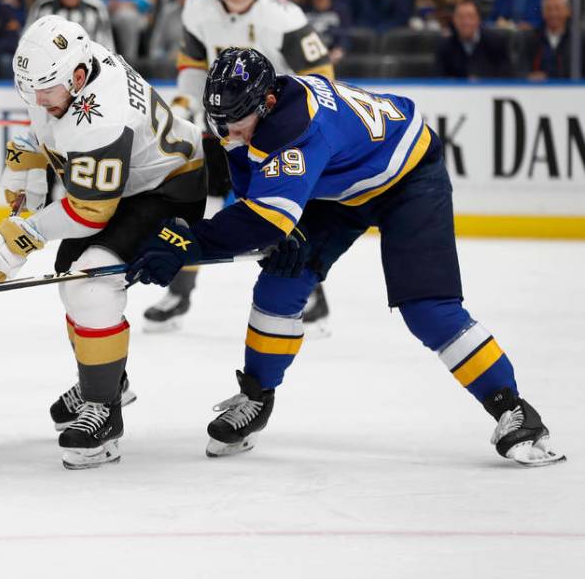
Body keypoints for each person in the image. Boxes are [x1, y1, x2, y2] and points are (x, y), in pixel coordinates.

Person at [127, 47, 566, 468]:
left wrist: (193, 242)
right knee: (280, 284)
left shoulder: (297, 128)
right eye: (219, 118)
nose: (228, 130)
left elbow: (260, 220)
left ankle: (515, 410)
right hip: (339, 182)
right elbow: (253, 185)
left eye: (237, 120)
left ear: (270, 101)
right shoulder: (247, 112)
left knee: (428, 309)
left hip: (408, 177)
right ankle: (257, 396)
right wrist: (279, 219)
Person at [0, 15, 206, 469]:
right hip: (127, 187)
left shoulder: (103, 116)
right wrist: (29, 154)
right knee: (70, 278)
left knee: (90, 283)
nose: (37, 100)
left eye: (45, 91)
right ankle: (106, 379)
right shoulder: (66, 69)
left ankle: (105, 413)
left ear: (78, 78)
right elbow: (50, 121)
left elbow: (91, 210)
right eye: (28, 90)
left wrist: (22, 237)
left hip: (168, 189)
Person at [143, 0, 334, 335]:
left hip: (277, 131)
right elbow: (194, 66)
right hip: (224, 126)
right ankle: (180, 293)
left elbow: (321, 75)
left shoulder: (283, 15)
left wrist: (298, 125)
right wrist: (183, 107)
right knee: (201, 206)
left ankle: (311, 299)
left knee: (281, 212)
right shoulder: (198, 9)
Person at [436, 0, 512, 78]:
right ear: (454, 20)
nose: (466, 22)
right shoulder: (445, 46)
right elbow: (439, 78)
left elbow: (506, 76)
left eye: (470, 17)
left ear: (478, 19)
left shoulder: (496, 42)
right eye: (460, 17)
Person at [526, 0, 584, 80]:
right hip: (538, 90)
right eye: (549, 9)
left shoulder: (580, 39)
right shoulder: (531, 38)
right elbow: (521, 66)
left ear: (568, 11)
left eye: (557, 9)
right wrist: (528, 76)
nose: (553, 14)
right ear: (543, 13)